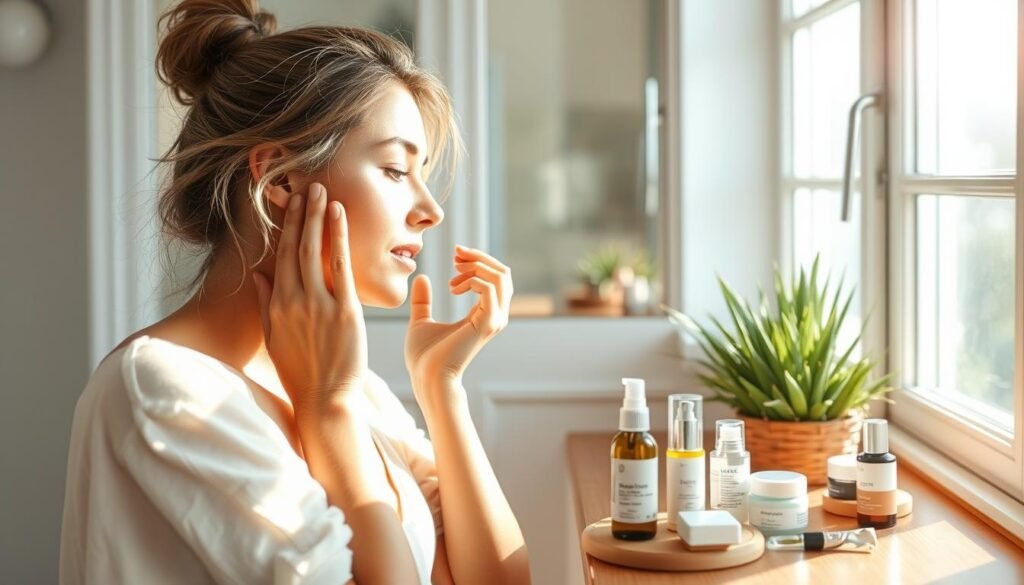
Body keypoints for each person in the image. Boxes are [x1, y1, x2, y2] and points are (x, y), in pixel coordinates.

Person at [58, 1, 530, 583]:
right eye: (393, 170)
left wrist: (442, 389)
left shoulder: (341, 382)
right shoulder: (167, 393)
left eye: (423, 174)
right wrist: (327, 412)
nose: (430, 211)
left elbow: (498, 579)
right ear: (281, 181)